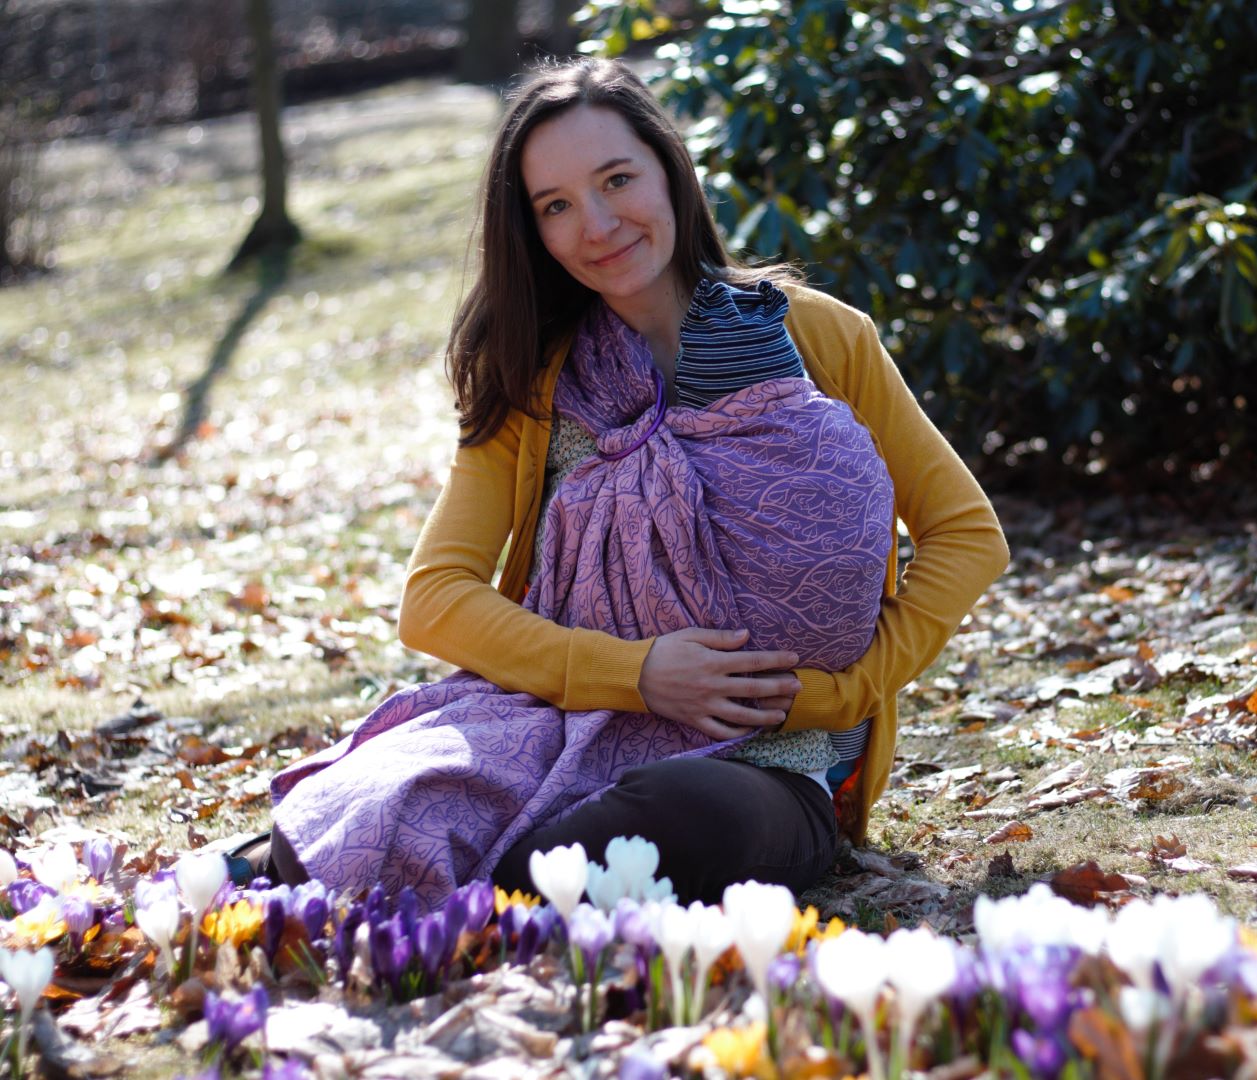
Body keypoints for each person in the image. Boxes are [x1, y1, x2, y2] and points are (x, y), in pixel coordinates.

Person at [250, 57, 1009, 905]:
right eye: (556, 206)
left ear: (670, 170)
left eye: (617, 180)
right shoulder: (533, 375)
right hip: (553, 737)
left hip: (763, 766)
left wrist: (842, 694)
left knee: (679, 816)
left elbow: (967, 534)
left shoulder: (819, 336)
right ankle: (410, 855)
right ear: (533, 231)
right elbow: (435, 598)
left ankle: (425, 868)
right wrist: (637, 673)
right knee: (429, 804)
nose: (599, 225)